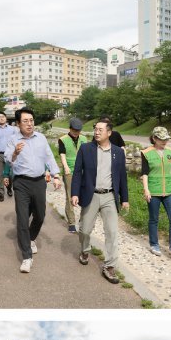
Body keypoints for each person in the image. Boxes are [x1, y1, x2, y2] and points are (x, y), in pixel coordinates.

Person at [71, 117, 129, 284]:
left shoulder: (118, 152)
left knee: (112, 232)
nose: (96, 132)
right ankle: (85, 249)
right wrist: (75, 193)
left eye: (100, 130)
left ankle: (109, 266)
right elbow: (77, 173)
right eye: (95, 129)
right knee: (84, 230)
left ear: (109, 133)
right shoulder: (85, 149)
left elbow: (122, 177)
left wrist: (124, 198)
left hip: (110, 197)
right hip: (91, 195)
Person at [4, 107, 62, 273]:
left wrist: (56, 175)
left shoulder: (41, 138)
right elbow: (8, 159)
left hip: (39, 182)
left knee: (40, 215)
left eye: (31, 120)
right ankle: (27, 257)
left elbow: (49, 157)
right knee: (22, 219)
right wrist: (15, 152)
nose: (29, 124)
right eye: (25, 121)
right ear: (18, 124)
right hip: (21, 183)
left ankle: (30, 238)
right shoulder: (13, 139)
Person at [141, 125, 171, 260]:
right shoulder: (146, 153)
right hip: (154, 191)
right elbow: (145, 173)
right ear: (154, 138)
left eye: (166, 139)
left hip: (170, 191)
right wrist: (146, 189)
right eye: (161, 139)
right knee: (154, 219)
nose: (165, 142)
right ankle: (154, 244)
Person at [58, 117, 87, 233]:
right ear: (69, 128)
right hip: (69, 170)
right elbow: (62, 154)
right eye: (74, 130)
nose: (76, 133)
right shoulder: (63, 139)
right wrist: (65, 167)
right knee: (70, 196)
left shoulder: (84, 138)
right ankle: (71, 222)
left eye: (78, 131)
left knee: (85, 195)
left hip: (83, 171)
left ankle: (83, 220)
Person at [0, 113, 16, 200]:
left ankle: (9, 188)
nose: (1, 118)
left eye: (3, 117)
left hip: (10, 154)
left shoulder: (13, 129)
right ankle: (1, 193)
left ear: (6, 118)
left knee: (10, 174)